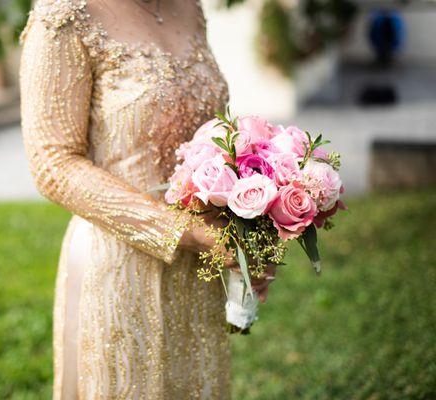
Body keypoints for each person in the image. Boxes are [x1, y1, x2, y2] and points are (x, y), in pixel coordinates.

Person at [19, 1, 275, 398]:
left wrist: (249, 220)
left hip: (201, 266)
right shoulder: (64, 17)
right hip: (117, 263)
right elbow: (53, 163)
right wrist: (182, 230)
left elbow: (206, 132)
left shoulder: (189, 8)